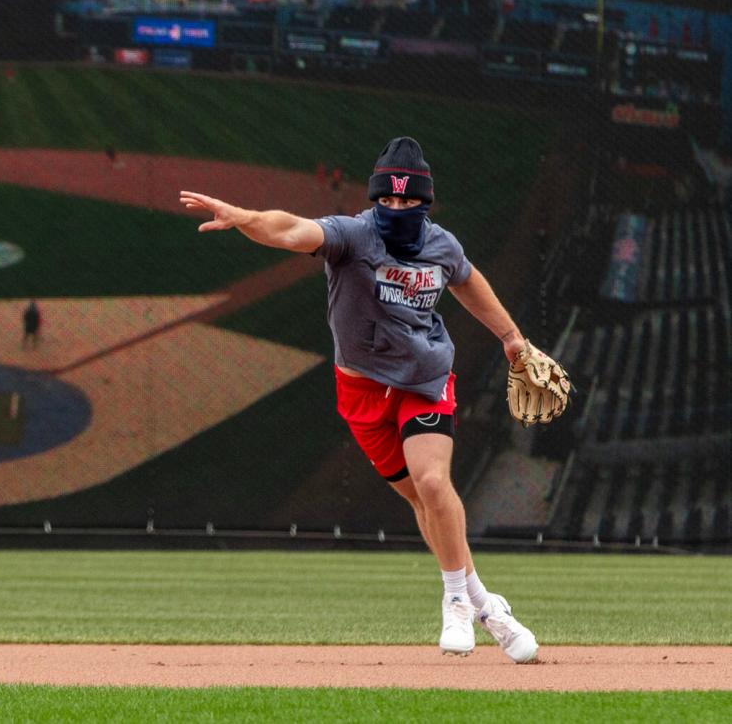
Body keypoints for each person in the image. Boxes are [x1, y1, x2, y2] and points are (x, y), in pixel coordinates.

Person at [179, 136, 539, 664]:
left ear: (424, 201)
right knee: (421, 500)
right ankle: (487, 604)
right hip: (363, 389)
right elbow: (292, 229)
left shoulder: (441, 244)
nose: (395, 209)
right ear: (375, 200)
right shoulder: (352, 236)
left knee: (434, 483)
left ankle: (457, 601)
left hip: (425, 377)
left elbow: (467, 279)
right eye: (386, 200)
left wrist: (511, 338)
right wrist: (247, 217)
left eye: (406, 201)